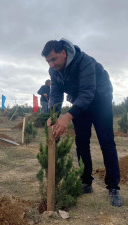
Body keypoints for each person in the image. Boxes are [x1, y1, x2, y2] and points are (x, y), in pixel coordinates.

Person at [41, 38, 122, 207]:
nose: (51, 64)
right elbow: (55, 95)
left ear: (64, 53)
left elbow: (87, 93)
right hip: (80, 102)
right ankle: (86, 182)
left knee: (106, 142)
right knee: (81, 142)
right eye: (48, 61)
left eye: (54, 59)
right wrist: (54, 115)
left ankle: (113, 187)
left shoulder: (85, 62)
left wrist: (67, 116)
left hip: (100, 100)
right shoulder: (54, 72)